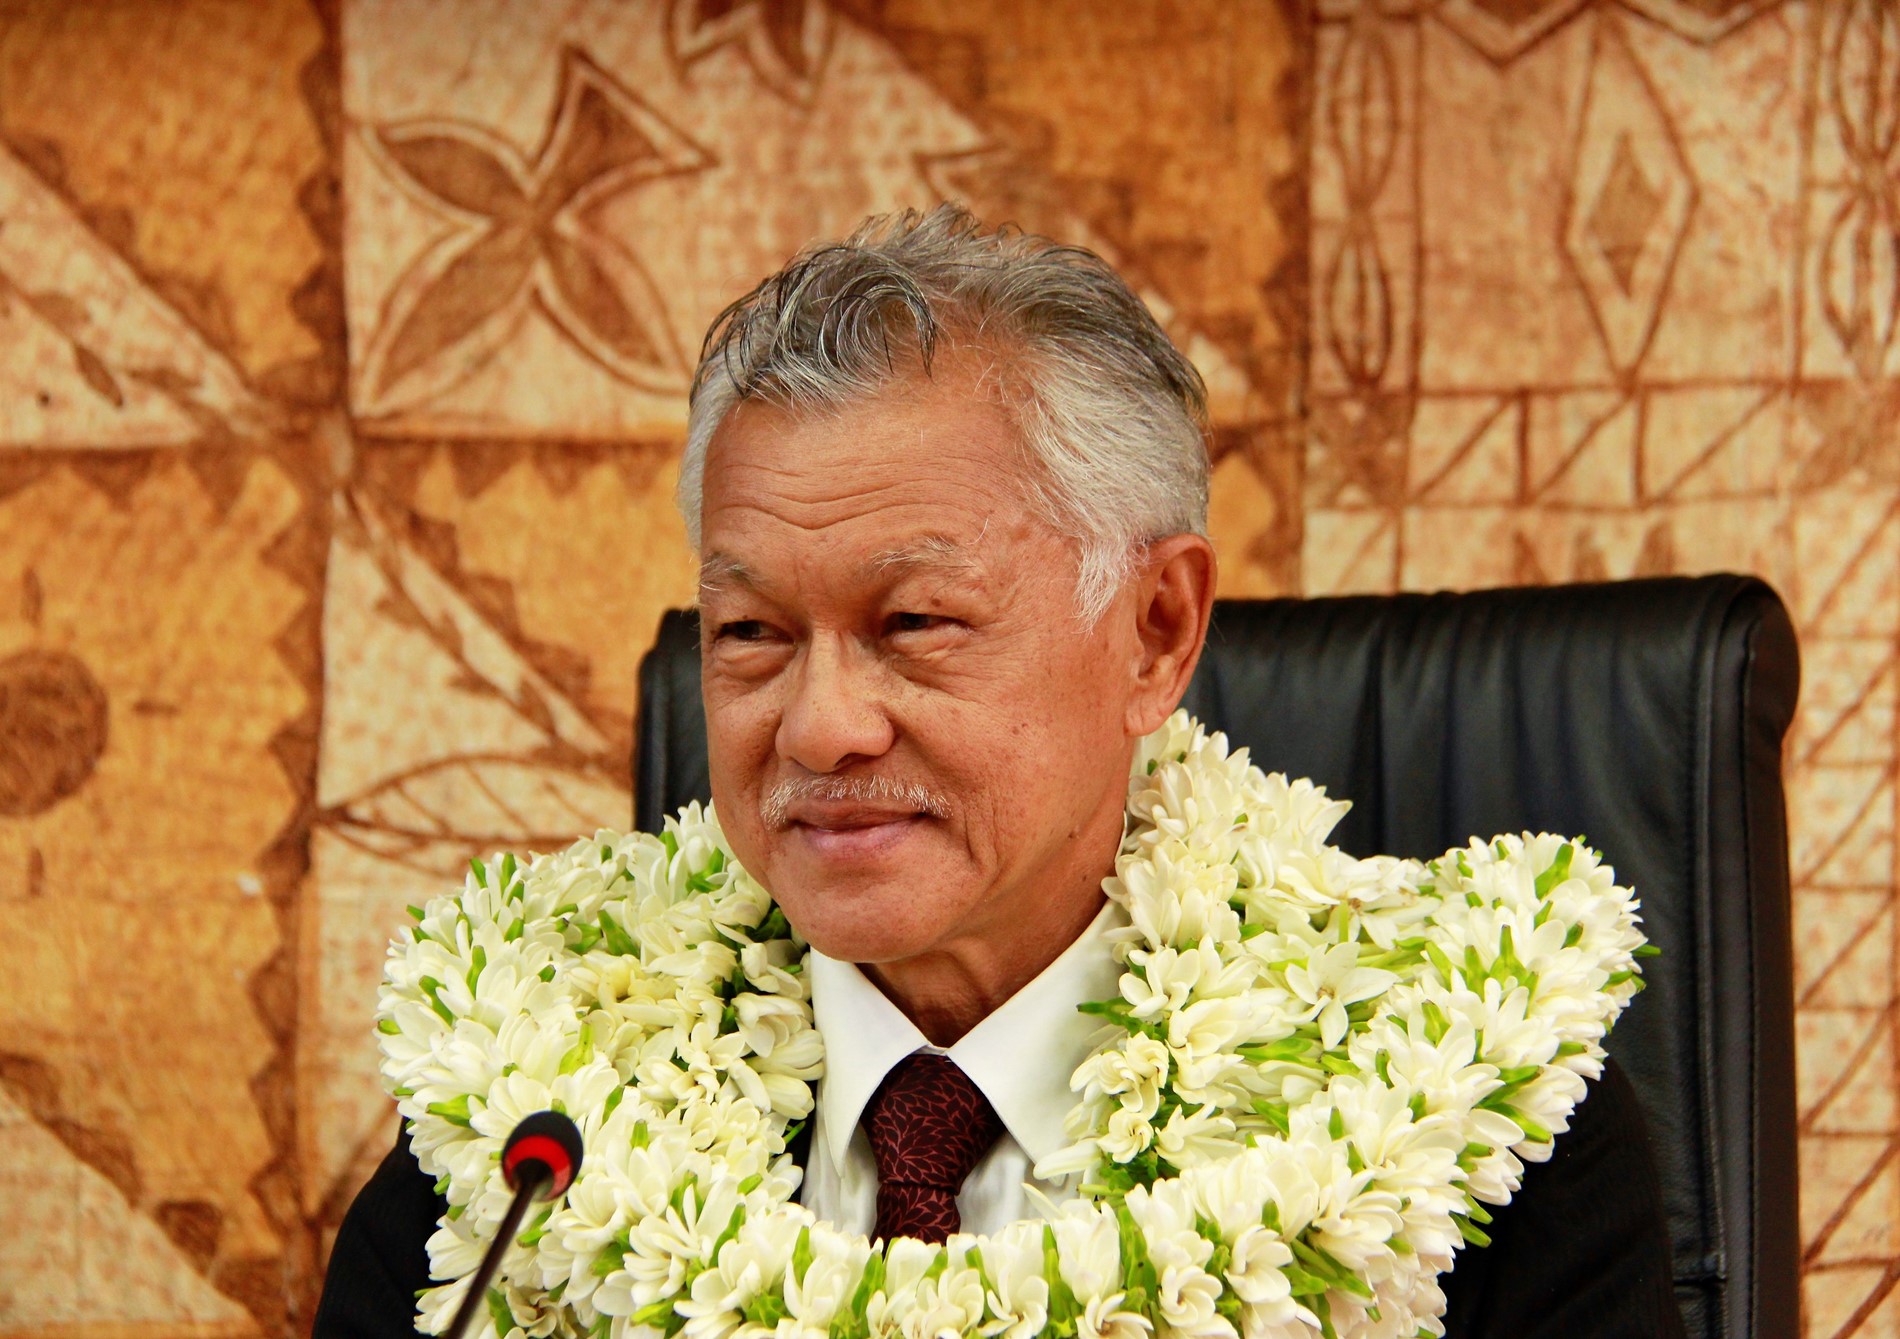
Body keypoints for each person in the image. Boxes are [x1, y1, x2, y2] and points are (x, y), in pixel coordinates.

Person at [315, 205, 1683, 1338]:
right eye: (751, 634)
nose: (820, 729)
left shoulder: (1455, 1117)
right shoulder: (536, 1127)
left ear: (1155, 632)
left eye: (915, 622)